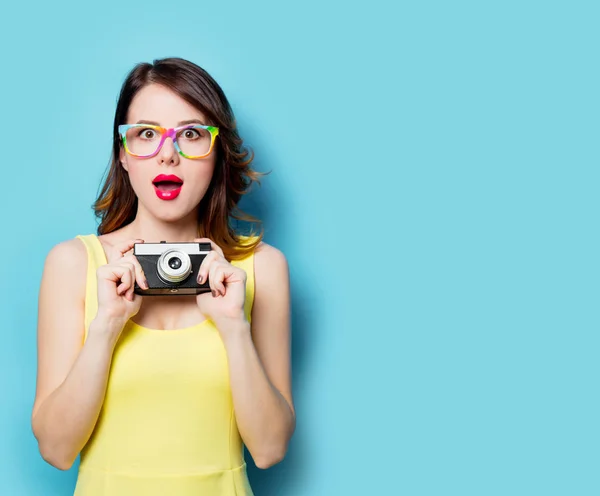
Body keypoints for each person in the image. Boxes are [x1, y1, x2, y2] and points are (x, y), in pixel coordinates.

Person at [31, 57, 295, 495]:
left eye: (191, 134)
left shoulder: (261, 268)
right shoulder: (74, 264)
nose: (168, 153)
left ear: (216, 154)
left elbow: (269, 450)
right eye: (146, 134)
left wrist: (233, 326)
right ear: (123, 154)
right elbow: (56, 451)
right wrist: (107, 326)